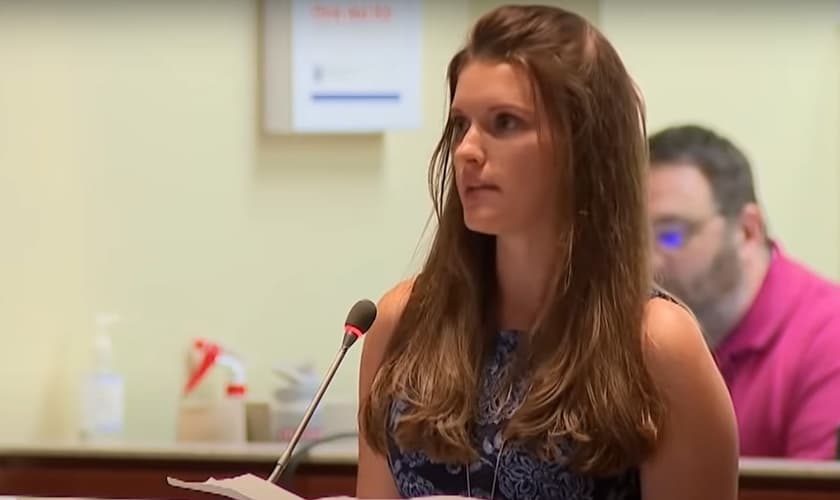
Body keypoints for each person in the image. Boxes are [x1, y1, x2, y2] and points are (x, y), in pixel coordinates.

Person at [356, 6, 738, 500]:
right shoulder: (400, 323)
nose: (467, 150)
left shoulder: (658, 345)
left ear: (583, 145)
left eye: (506, 123)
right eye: (460, 125)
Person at [647, 123, 840, 460]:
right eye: (634, 237)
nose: (647, 259)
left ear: (748, 231)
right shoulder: (641, 332)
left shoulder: (827, 340)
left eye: (671, 235)